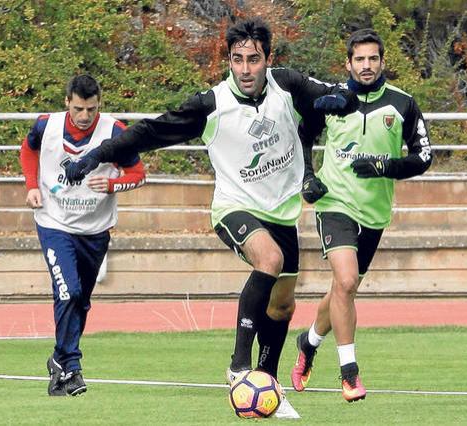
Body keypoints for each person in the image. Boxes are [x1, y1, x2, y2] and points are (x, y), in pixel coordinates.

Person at [64, 18, 357, 415]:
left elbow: (339, 94)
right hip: (234, 207)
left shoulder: (287, 85)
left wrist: (343, 99)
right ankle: (239, 366)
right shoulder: (212, 104)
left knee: (284, 306)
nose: (246, 69)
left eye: (254, 60)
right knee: (268, 260)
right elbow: (150, 131)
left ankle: (266, 383)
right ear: (229, 62)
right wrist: (96, 156)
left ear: (268, 60)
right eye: (237, 60)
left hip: (282, 214)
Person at [291, 29, 433, 402]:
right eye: (360, 59)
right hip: (334, 203)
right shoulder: (331, 99)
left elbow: (424, 157)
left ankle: (308, 342)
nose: (366, 66)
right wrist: (307, 177)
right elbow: (301, 137)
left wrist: (386, 167)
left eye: (373, 59)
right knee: (348, 280)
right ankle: (349, 373)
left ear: (382, 61)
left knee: (343, 288)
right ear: (349, 63)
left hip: (374, 215)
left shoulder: (402, 104)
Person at [19, 74, 146, 396]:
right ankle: (71, 366)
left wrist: (114, 184)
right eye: (78, 108)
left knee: (81, 301)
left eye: (91, 108)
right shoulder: (45, 125)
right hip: (54, 223)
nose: (85, 116)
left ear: (99, 104)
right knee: (68, 292)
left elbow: (139, 174)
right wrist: (32, 185)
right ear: (67, 103)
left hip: (95, 229)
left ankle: (59, 362)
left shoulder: (114, 132)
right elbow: (28, 150)